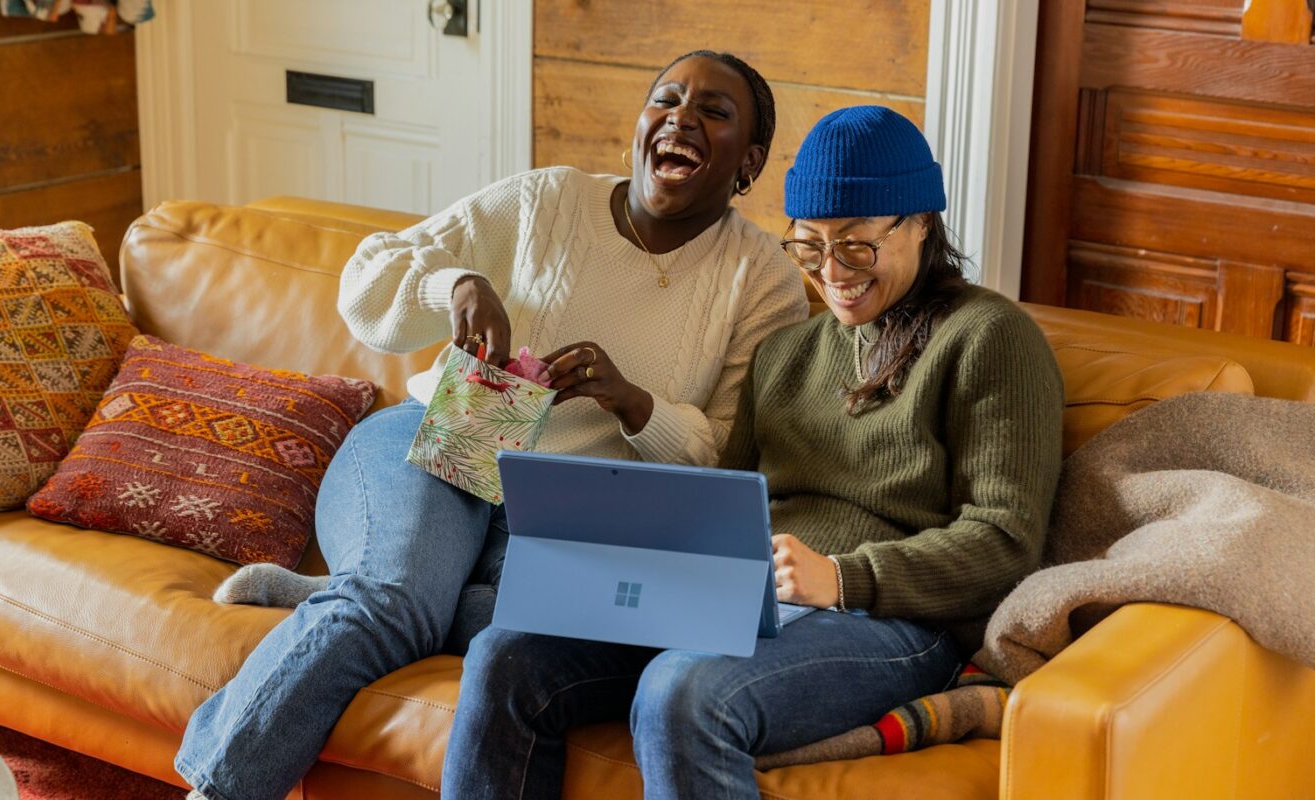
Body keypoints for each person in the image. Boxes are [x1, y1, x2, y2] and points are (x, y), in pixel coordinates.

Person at [173, 50, 809, 800]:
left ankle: (341, 592)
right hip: (436, 445)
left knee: (540, 625)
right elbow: (366, 281)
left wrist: (632, 401)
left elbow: (726, 454)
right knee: (397, 602)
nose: (681, 119)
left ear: (749, 160)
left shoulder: (763, 278)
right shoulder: (550, 201)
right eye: (666, 99)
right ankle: (219, 785)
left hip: (571, 515)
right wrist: (458, 284)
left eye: (714, 111)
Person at [442, 105, 1065, 799]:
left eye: (856, 245)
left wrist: (843, 577)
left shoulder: (990, 337)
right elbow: (724, 502)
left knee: (684, 692)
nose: (831, 272)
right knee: (505, 654)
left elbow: (1005, 541)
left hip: (891, 622)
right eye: (809, 245)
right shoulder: (784, 353)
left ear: (921, 221)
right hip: (743, 601)